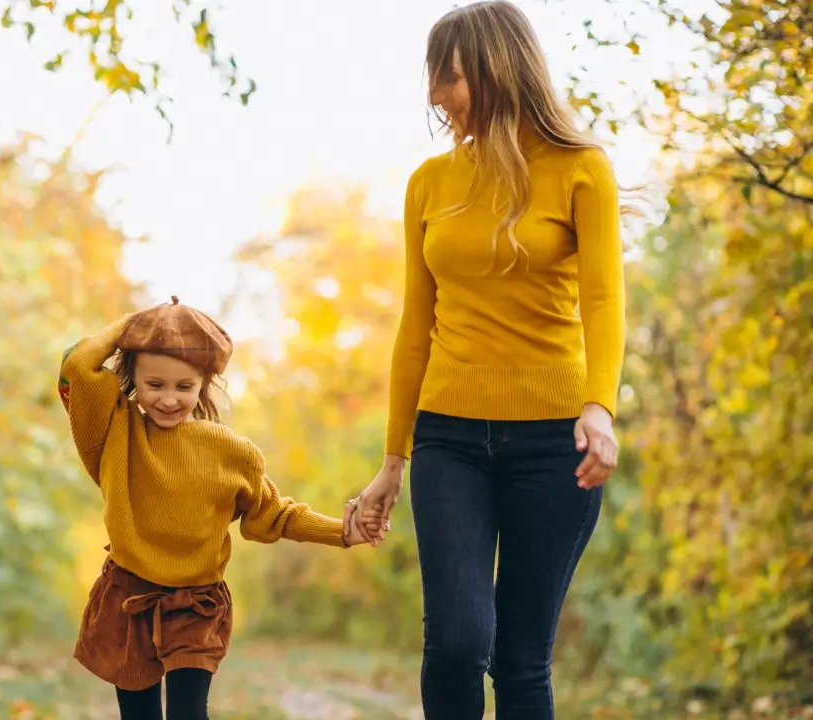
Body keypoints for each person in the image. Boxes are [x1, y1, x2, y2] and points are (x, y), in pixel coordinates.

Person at [348, 2, 627, 718]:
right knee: (456, 642)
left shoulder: (581, 170)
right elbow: (416, 326)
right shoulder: (429, 183)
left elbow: (603, 300)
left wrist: (600, 404)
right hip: (450, 437)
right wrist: (393, 457)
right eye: (434, 80)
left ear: (498, 68)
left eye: (450, 77)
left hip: (554, 439)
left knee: (520, 658)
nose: (437, 96)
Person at [59, 296, 381, 720]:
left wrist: (341, 530)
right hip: (128, 597)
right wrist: (135, 325)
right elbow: (79, 367)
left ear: (204, 383)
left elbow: (274, 514)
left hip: (196, 605)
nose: (169, 399)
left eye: (184, 387)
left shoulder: (231, 452)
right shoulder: (114, 434)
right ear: (132, 376)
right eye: (155, 385)